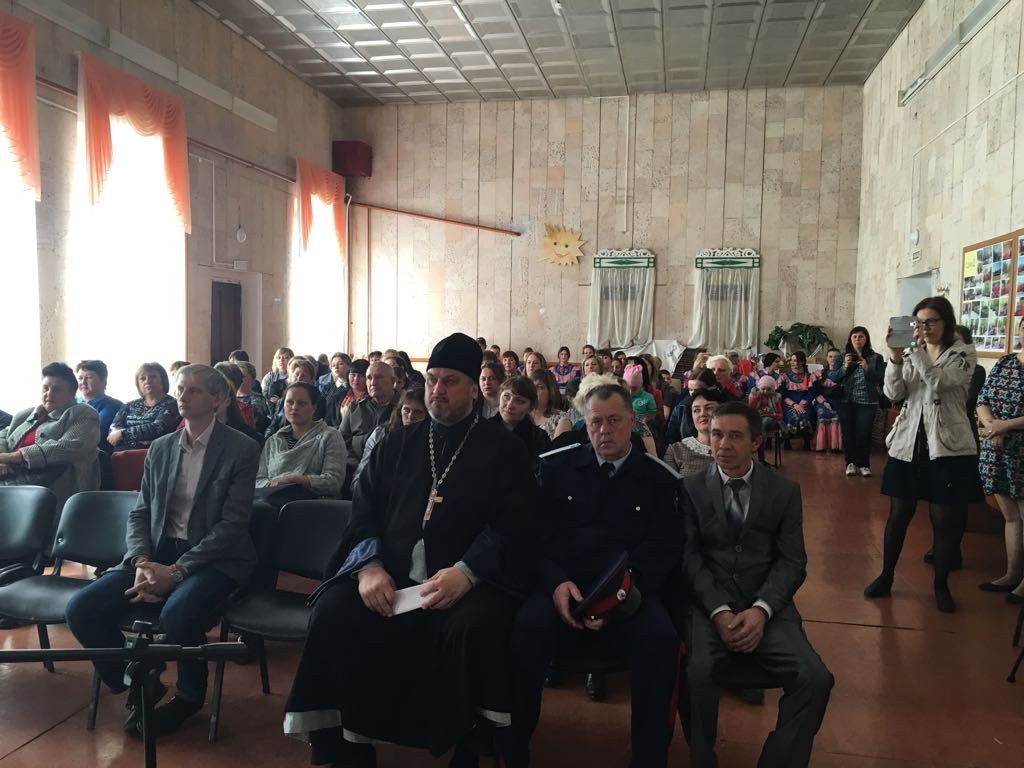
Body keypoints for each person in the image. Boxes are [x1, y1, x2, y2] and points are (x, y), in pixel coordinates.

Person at [283, 333, 536, 766]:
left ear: (474, 389)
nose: (438, 390)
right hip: (391, 574)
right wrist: (369, 567)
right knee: (334, 611)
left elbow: (514, 525)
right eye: (433, 379)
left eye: (450, 381)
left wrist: (467, 573)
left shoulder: (505, 450)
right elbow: (362, 512)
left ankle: (468, 742)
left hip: (464, 582)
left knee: (477, 626)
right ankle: (346, 744)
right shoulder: (396, 444)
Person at [65, 364, 260, 737]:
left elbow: (232, 526)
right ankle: (137, 681)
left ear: (218, 399)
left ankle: (189, 696)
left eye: (194, 391)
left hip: (216, 557)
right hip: (157, 551)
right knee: (81, 609)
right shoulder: (161, 447)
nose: (183, 397)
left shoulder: (241, 449)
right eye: (181, 389)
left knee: (178, 613)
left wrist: (177, 571)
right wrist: (141, 561)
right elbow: (141, 512)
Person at [504, 381, 683, 768]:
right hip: (563, 585)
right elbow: (539, 536)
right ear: (584, 424)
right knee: (524, 630)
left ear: (632, 421)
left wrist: (617, 596)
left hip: (629, 590)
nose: (605, 430)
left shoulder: (658, 478)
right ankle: (512, 749)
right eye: (596, 422)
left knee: (661, 641)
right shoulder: (556, 468)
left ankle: (649, 757)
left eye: (615, 421)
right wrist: (555, 581)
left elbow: (662, 548)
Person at [681, 402, 833, 768]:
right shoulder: (690, 489)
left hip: (765, 605)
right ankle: (702, 759)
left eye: (735, 436)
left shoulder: (784, 491)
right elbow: (689, 558)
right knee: (696, 674)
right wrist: (719, 611)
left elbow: (792, 561)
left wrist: (762, 610)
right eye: (717, 435)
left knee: (814, 678)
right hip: (708, 606)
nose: (723, 445)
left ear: (756, 442)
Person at [865, 296, 981, 613]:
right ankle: (886, 576)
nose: (924, 328)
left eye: (931, 321)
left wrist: (913, 352)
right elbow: (894, 393)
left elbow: (940, 382)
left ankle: (941, 585)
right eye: (919, 322)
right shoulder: (909, 352)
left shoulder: (963, 353)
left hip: (948, 446)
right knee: (898, 515)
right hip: (909, 441)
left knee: (944, 521)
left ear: (946, 322)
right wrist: (894, 358)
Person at [0, 362, 100, 510]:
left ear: (72, 393)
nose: (49, 393)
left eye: (57, 389)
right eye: (45, 388)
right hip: (12, 481)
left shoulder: (84, 414)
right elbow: (3, 436)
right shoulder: (25, 415)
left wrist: (14, 457)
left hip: (55, 488)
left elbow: (69, 446)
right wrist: (2, 460)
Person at [975, 316, 1024, 603]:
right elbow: (983, 399)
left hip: (1020, 450)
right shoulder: (1006, 363)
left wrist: (1005, 426)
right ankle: (1012, 574)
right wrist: (992, 425)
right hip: (997, 448)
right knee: (1011, 516)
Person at [256, 382, 346, 508]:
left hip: (314, 506)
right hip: (271, 502)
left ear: (314, 407)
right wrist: (272, 485)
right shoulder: (274, 440)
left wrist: (295, 480)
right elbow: (258, 480)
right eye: (289, 402)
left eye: (301, 403)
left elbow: (334, 481)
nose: (294, 407)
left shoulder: (330, 436)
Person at [829, 326, 885, 477]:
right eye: (854, 336)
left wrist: (867, 367)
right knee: (848, 432)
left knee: (864, 433)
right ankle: (850, 463)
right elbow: (833, 377)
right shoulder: (842, 357)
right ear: (850, 339)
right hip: (846, 400)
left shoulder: (876, 357)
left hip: (868, 400)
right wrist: (844, 367)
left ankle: (864, 464)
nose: (857, 340)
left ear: (866, 339)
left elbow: (880, 378)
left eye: (861, 337)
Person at [353, 388, 428, 490]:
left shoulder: (430, 441)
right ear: (400, 411)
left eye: (418, 412)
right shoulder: (381, 434)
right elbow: (362, 471)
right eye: (406, 410)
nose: (410, 416)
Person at [339, 361, 400, 486]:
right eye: (369, 378)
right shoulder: (355, 407)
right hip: (354, 469)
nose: (373, 382)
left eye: (379, 377)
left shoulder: (404, 408)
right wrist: (357, 465)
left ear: (393, 381)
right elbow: (341, 441)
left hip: (391, 473)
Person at [107, 363, 180, 452]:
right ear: (138, 384)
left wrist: (123, 434)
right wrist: (117, 434)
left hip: (154, 454)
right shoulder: (129, 405)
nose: (147, 381)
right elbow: (114, 428)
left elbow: (158, 428)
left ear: (163, 380)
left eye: (153, 377)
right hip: (121, 454)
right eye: (142, 378)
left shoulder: (173, 404)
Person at [665, 388, 725, 476]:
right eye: (696, 410)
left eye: (709, 408)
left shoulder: (736, 447)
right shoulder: (676, 451)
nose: (702, 414)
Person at [494, 376, 550, 466]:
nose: (510, 405)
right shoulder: (483, 428)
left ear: (531, 407)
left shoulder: (538, 437)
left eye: (519, 401)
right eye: (506, 397)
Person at [263, 358, 325, 438]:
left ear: (311, 379)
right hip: (280, 438)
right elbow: (274, 425)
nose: (299, 378)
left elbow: (316, 424)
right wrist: (268, 438)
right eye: (296, 374)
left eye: (304, 375)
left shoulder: (319, 400)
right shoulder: (283, 400)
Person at [76, 359, 123, 449]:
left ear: (104, 381)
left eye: (89, 377)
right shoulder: (73, 403)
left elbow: (93, 432)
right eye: (80, 378)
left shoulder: (113, 405)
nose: (83, 382)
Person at [666, 369, 718, 444]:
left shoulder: (723, 405)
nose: (692, 394)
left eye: (697, 390)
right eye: (690, 389)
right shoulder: (681, 407)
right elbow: (671, 437)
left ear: (711, 388)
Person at [779, 352, 817, 448]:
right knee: (790, 415)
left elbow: (812, 392)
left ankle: (806, 441)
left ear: (802, 362)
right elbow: (782, 394)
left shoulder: (809, 376)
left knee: (805, 416)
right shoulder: (785, 376)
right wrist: (794, 405)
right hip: (790, 404)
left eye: (795, 361)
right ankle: (787, 441)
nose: (792, 363)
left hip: (805, 404)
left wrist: (804, 402)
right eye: (791, 360)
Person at [811, 349, 843, 453]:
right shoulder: (819, 374)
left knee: (838, 415)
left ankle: (836, 446)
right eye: (830, 356)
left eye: (836, 357)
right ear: (827, 358)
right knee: (823, 413)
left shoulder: (843, 373)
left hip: (839, 401)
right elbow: (816, 392)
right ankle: (822, 445)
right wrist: (824, 402)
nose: (833, 359)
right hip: (823, 401)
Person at [748, 376, 783, 466]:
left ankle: (760, 443)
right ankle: (759, 458)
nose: (766, 391)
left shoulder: (776, 397)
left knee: (764, 421)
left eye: (769, 389)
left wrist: (770, 414)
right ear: (759, 388)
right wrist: (754, 398)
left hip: (771, 421)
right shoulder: (756, 395)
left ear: (773, 389)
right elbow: (750, 411)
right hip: (757, 421)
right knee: (757, 424)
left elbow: (780, 415)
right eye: (763, 389)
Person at [235, 361, 272, 433]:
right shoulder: (229, 397)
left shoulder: (258, 399)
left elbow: (256, 424)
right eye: (237, 376)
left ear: (253, 379)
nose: (239, 379)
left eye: (243, 376)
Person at [529, 369, 566, 438]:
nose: (534, 390)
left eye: (540, 387)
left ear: (550, 392)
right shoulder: (520, 414)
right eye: (531, 386)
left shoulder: (560, 418)